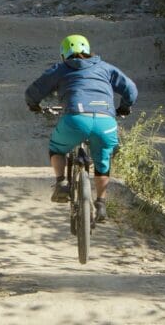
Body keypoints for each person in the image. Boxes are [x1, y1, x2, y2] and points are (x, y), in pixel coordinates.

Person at [24, 34, 138, 222]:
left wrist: (34, 104)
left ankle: (61, 182)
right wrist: (124, 107)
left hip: (75, 119)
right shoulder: (105, 68)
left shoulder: (60, 69)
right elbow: (131, 89)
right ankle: (101, 203)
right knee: (103, 159)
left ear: (63, 55)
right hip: (105, 122)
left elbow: (33, 91)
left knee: (57, 148)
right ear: (88, 51)